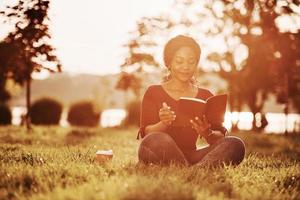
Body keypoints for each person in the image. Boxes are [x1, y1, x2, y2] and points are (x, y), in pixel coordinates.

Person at [137, 35, 245, 167]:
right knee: (155, 140)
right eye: (179, 61)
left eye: (191, 61)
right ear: (169, 63)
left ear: (196, 64)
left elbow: (219, 138)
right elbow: (146, 135)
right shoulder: (153, 92)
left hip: (193, 155)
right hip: (161, 150)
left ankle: (191, 168)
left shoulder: (206, 96)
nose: (185, 67)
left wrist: (207, 133)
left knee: (235, 144)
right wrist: (164, 123)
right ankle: (193, 169)